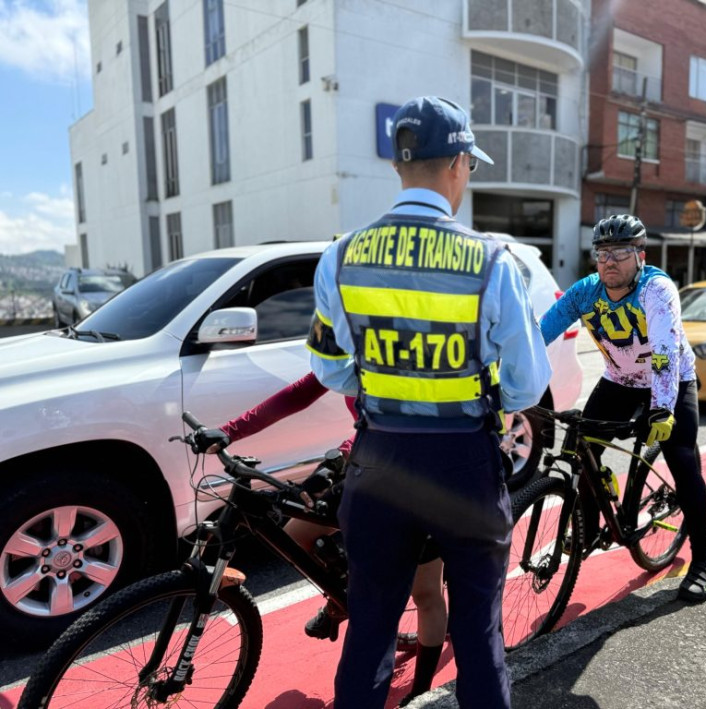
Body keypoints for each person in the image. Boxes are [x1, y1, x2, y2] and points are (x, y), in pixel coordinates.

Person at [308, 95, 551, 708]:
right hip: (464, 465)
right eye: (470, 166)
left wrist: (389, 384)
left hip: (378, 460)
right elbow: (526, 387)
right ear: (459, 164)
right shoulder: (494, 260)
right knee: (477, 628)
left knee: (370, 628)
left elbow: (330, 370)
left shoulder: (340, 256)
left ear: (399, 166)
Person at [193, 372, 448, 704]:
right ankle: (342, 600)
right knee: (298, 533)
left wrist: (338, 460)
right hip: (370, 464)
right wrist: (229, 431)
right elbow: (301, 392)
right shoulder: (347, 342)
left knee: (425, 592)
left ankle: (421, 693)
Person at [539, 214, 706, 603]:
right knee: (581, 449)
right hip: (620, 381)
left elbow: (666, 352)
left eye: (620, 252)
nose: (610, 261)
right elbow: (540, 333)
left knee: (683, 461)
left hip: (672, 380)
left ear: (640, 255)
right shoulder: (586, 292)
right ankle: (590, 524)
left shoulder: (656, 289)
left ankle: (702, 557)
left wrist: (662, 408)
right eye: (602, 253)